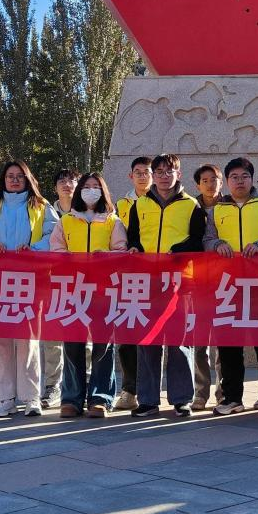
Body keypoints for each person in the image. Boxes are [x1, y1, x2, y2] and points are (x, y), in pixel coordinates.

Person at [0, 160, 57, 418]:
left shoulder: (41, 206)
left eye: (19, 176)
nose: (14, 180)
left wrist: (34, 250)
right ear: (3, 180)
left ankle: (31, 397)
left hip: (31, 280)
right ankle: (4, 398)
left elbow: (55, 236)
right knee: (1, 340)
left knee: (29, 340)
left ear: (28, 179)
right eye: (10, 176)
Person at [205, 157, 258, 415]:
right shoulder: (216, 211)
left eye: (244, 176)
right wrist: (217, 245)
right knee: (229, 344)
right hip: (228, 287)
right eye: (234, 177)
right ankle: (232, 398)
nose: (239, 181)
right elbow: (207, 239)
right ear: (227, 181)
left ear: (252, 179)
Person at [120, 153, 201, 417]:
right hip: (147, 281)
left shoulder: (191, 205)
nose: (165, 176)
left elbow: (198, 242)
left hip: (179, 281)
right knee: (147, 341)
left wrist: (178, 251)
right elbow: (133, 237)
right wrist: (135, 248)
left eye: (169, 171)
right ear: (153, 175)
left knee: (179, 342)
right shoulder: (140, 205)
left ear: (179, 174)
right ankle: (147, 400)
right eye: (160, 172)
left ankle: (182, 399)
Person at [48, 173, 119, 419]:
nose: (91, 190)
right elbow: (56, 250)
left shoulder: (112, 221)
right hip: (73, 289)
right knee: (72, 345)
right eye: (86, 186)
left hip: (103, 290)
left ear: (103, 190)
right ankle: (71, 398)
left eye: (96, 186)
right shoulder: (66, 221)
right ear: (79, 191)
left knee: (103, 345)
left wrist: (106, 256)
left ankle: (100, 398)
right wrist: (67, 259)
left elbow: (121, 252)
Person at [110, 156, 153, 412]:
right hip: (128, 276)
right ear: (130, 176)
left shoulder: (163, 202)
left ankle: (151, 391)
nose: (143, 176)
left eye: (147, 172)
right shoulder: (119, 205)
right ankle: (129, 390)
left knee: (153, 337)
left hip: (157, 276)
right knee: (127, 334)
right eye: (138, 172)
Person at [40, 168, 80, 409]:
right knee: (52, 336)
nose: (67, 184)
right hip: (51, 282)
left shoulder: (88, 211)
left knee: (82, 335)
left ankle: (83, 381)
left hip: (82, 282)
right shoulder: (44, 212)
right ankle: (52, 385)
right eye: (62, 181)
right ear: (55, 187)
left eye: (72, 180)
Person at [190, 164, 223, 411]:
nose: (210, 184)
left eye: (214, 179)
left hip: (225, 281)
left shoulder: (231, 205)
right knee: (200, 341)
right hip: (197, 280)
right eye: (205, 180)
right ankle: (200, 392)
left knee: (223, 340)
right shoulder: (190, 208)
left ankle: (224, 392)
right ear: (198, 185)